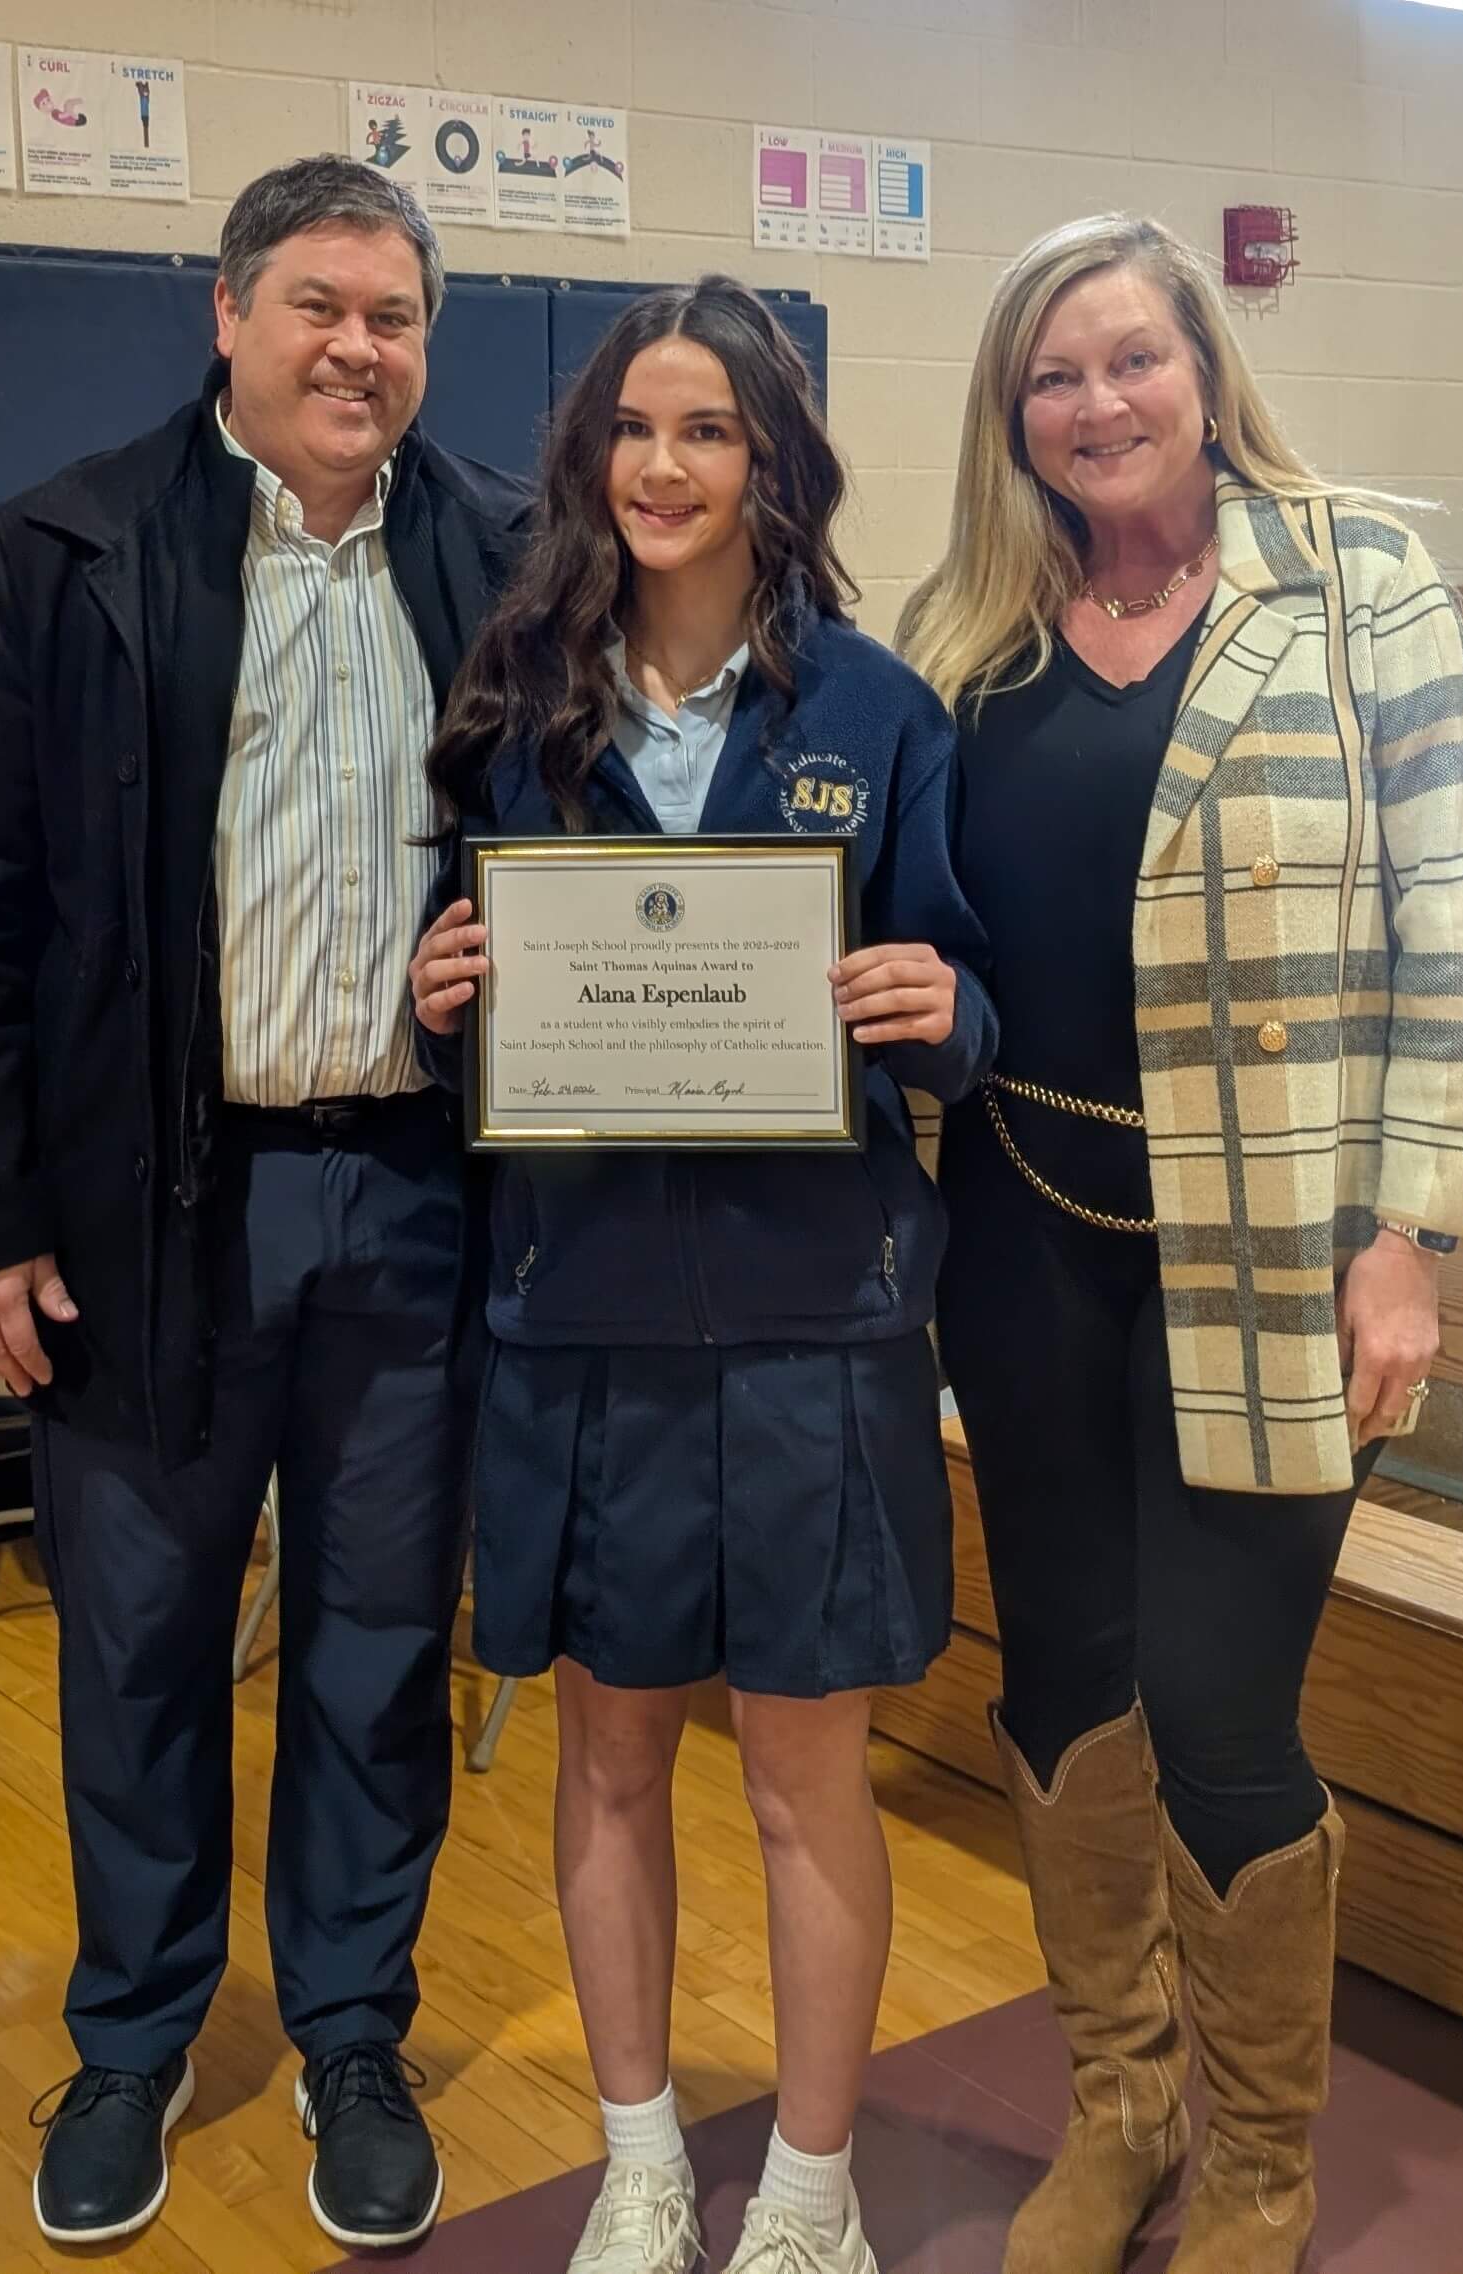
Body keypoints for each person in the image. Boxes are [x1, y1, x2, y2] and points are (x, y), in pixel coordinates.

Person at [0, 157, 528, 2253]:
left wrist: (507, 964)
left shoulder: (510, 561)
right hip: (161, 1209)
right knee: (143, 1648)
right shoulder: (56, 554)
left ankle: (350, 2027)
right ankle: (136, 2039)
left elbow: (576, 854)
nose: (364, 347)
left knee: (366, 1652)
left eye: (399, 314)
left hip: (412, 1201)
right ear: (225, 317)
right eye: (323, 304)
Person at [898, 213, 1463, 2274]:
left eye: (1130, 360)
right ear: (1013, 412)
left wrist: (1405, 1233)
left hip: (1274, 1237)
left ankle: (1259, 2160)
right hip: (1024, 1223)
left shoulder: (1360, 584)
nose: (1095, 405)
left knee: (1221, 1700)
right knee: (1063, 1682)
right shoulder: (969, 626)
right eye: (1052, 376)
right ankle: (1123, 2106)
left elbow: (1452, 931)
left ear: (1204, 366)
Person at [410, 276, 995, 2274]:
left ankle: (813, 2191)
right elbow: (452, 1001)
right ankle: (646, 2156)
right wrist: (440, 995)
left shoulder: (873, 710)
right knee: (609, 1750)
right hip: (576, 1316)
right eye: (629, 431)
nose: (662, 467)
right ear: (584, 460)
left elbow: (957, 986)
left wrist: (947, 1008)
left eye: (708, 431)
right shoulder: (510, 698)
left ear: (772, 462)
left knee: (808, 1767)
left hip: (816, 1313)